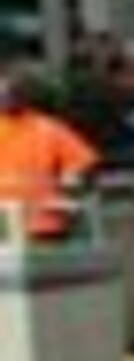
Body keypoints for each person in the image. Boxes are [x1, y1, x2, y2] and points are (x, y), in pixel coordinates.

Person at [0, 66, 102, 242]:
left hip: (44, 221)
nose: (6, 98)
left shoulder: (47, 128)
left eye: (10, 93)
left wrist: (73, 176)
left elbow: (84, 162)